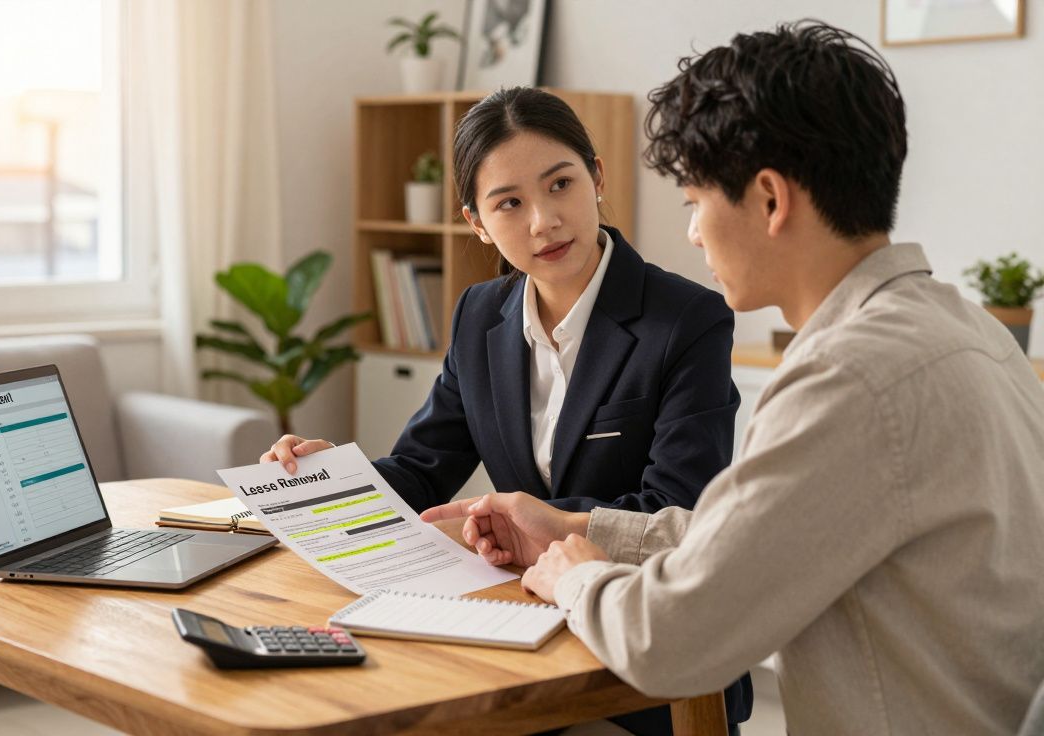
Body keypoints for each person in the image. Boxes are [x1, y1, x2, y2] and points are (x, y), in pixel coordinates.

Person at [424, 20, 1044, 735]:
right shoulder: (969, 331)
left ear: (771, 199)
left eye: (694, 201)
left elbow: (667, 642)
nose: (691, 232)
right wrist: (575, 526)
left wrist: (575, 576)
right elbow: (752, 535)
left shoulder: (848, 379)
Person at [263, 86, 751, 734]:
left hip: (641, 651)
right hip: (519, 631)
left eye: (560, 185)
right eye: (509, 203)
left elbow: (677, 512)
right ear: (476, 221)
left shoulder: (685, 320)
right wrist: (334, 477)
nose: (543, 221)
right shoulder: (479, 315)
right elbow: (422, 466)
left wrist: (552, 528)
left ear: (597, 178)